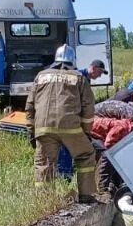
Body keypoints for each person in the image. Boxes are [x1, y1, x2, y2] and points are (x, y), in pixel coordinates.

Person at [26, 43, 97, 202]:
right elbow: (88, 107)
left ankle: (43, 202)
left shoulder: (41, 76)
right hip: (70, 128)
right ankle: (86, 197)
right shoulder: (79, 77)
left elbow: (30, 106)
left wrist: (32, 132)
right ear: (73, 61)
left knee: (44, 164)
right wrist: (86, 132)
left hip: (43, 128)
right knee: (86, 155)